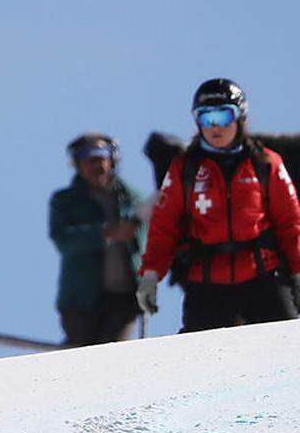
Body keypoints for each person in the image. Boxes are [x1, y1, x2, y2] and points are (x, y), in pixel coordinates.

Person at [137, 78, 300, 332]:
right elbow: (164, 227)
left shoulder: (266, 164)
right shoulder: (185, 169)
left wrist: (298, 271)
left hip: (263, 277)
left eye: (223, 116)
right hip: (207, 284)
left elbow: (290, 223)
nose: (215, 127)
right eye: (205, 117)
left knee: (285, 348)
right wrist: (150, 275)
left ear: (240, 118)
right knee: (200, 360)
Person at [49, 134, 145, 346]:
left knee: (113, 356)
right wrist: (105, 234)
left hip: (123, 299)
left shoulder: (133, 200)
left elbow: (148, 244)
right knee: (81, 354)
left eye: (101, 158)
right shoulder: (65, 201)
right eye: (88, 160)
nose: (97, 166)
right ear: (77, 164)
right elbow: (63, 239)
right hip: (81, 299)